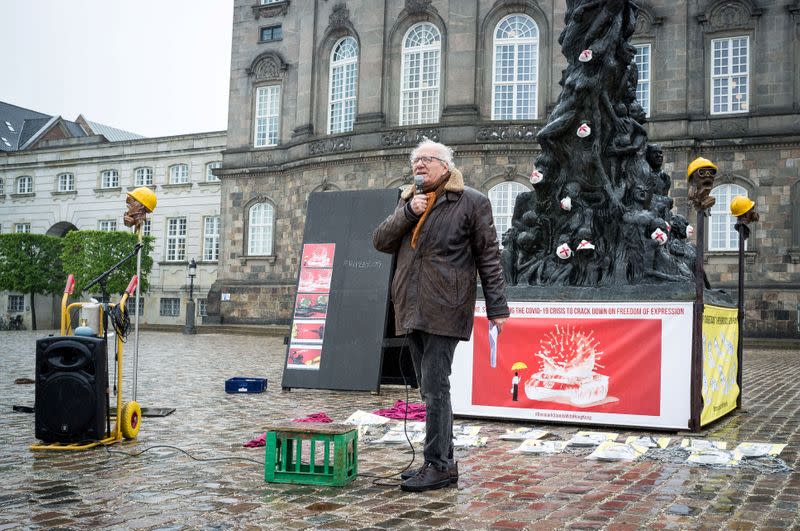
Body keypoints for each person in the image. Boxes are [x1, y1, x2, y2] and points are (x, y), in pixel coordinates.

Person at [373, 139, 509, 492]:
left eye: (427, 160)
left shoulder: (472, 201)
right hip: (411, 306)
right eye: (416, 160)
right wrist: (408, 213)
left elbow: (489, 258)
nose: (419, 165)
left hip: (445, 306)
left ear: (446, 166)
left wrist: (497, 308)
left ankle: (439, 464)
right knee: (428, 388)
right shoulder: (409, 200)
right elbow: (380, 240)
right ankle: (442, 460)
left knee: (435, 387)